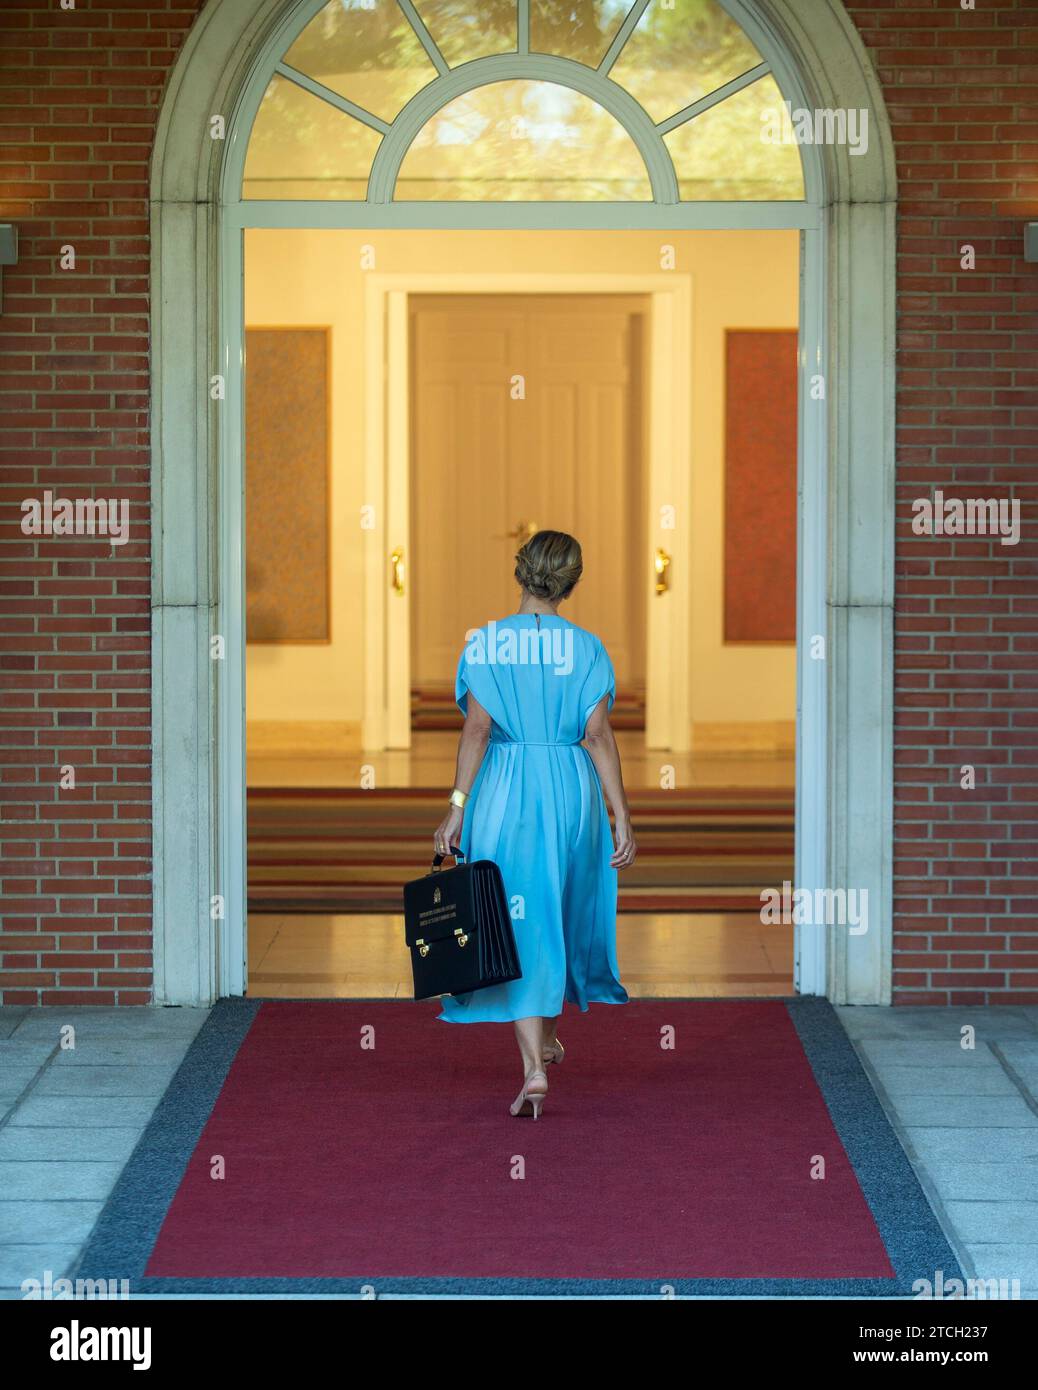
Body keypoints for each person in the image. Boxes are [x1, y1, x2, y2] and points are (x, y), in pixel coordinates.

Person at [433, 529, 636, 1119]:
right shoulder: (588, 647)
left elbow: (476, 730)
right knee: (555, 913)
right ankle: (544, 1041)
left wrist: (456, 804)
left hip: (506, 788)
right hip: (570, 789)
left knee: (518, 916)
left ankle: (534, 1068)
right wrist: (619, 812)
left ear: (520, 572)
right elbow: (597, 734)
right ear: (571, 582)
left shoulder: (487, 643)